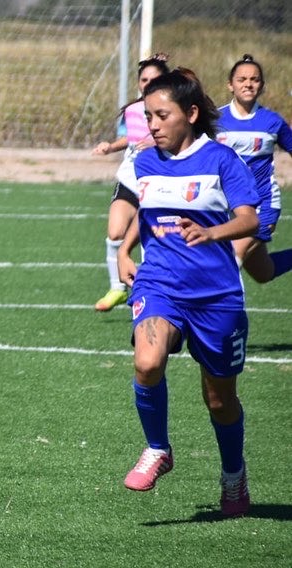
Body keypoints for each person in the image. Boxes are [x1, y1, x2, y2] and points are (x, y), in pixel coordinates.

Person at [117, 68, 259, 517]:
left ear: (191, 114)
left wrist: (212, 232)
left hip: (216, 296)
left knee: (219, 400)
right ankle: (158, 448)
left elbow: (249, 220)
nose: (153, 125)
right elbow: (145, 210)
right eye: (148, 116)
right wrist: (125, 250)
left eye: (161, 116)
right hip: (160, 283)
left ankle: (233, 475)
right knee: (147, 361)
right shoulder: (144, 161)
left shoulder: (220, 160)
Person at [91, 53, 171, 312]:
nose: (148, 83)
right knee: (115, 233)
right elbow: (130, 139)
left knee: (151, 238)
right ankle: (117, 287)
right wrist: (110, 146)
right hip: (130, 179)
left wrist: (159, 142)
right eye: (144, 79)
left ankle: (151, 292)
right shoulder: (133, 110)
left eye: (154, 79)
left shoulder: (173, 109)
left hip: (159, 180)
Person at [217, 54, 292, 283]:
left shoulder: (273, 121)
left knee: (230, 259)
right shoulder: (215, 120)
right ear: (231, 85)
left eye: (254, 79)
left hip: (263, 204)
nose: (248, 84)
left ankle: (213, 317)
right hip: (228, 207)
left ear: (262, 85)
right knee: (263, 273)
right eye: (241, 79)